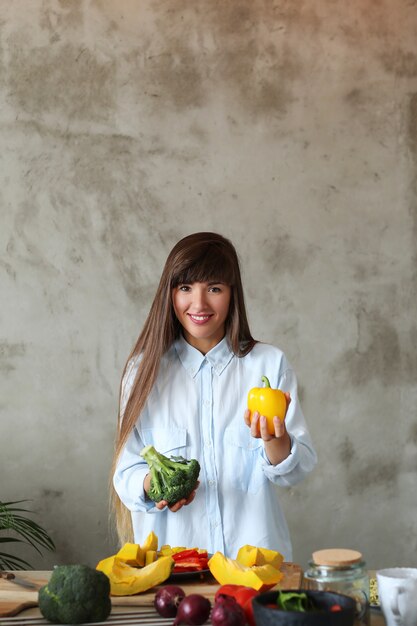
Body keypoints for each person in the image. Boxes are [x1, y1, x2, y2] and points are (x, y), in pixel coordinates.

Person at [111, 232, 317, 561]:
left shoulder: (268, 364)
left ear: (232, 294)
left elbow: (297, 469)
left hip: (254, 569)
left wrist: (274, 440)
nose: (199, 304)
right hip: (174, 570)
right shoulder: (142, 373)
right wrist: (156, 486)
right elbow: (126, 473)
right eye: (185, 288)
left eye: (215, 288)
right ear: (170, 294)